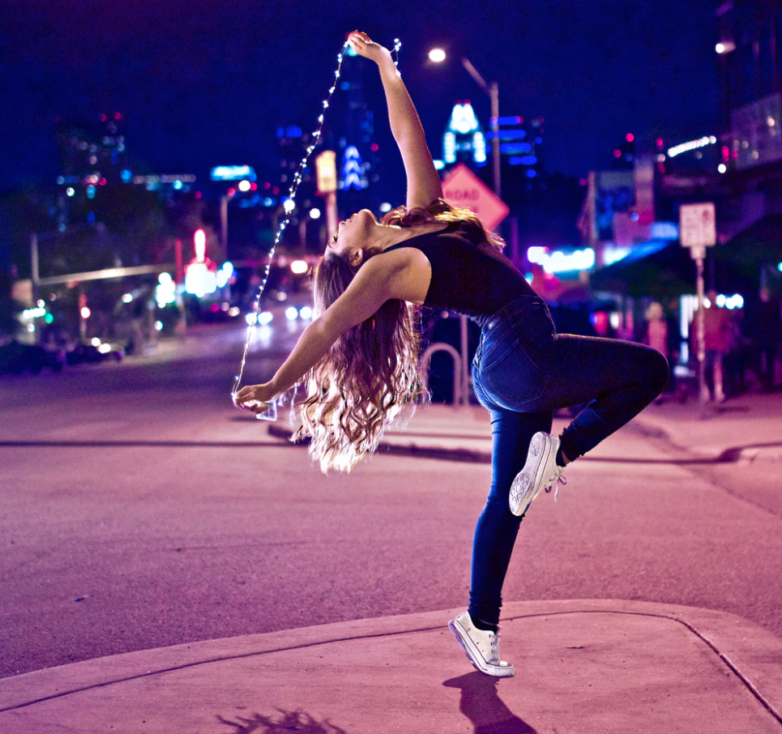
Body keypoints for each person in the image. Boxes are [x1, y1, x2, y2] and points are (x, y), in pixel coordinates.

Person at [233, 32, 669, 678]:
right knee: (651, 370)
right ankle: (563, 455)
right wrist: (273, 386)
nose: (338, 225)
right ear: (353, 256)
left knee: (506, 500)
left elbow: (410, 138)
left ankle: (479, 622)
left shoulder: (418, 221)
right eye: (334, 238)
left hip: (504, 363)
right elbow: (326, 328)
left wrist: (384, 66)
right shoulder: (383, 270)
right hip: (523, 349)